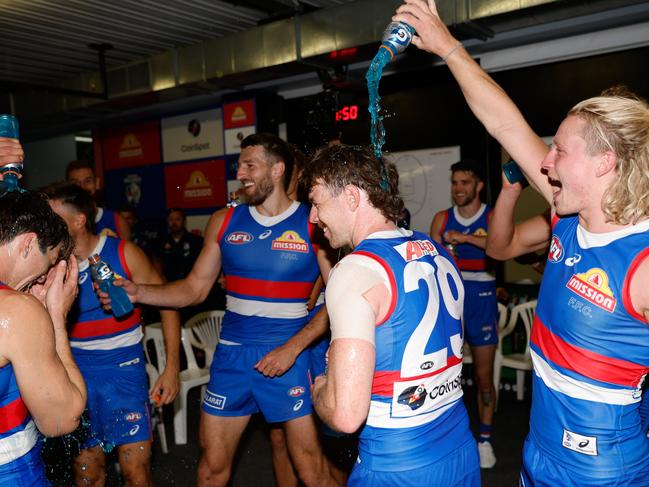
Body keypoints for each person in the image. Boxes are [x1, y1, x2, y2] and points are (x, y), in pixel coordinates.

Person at [395, 1, 649, 484]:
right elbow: (505, 125)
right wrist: (448, 48)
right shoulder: (566, 214)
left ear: (604, 163)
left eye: (559, 149)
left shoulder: (643, 258)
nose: (546, 161)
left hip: (602, 467)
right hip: (538, 447)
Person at [100, 133, 337, 487]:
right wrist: (138, 292)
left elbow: (339, 301)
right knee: (210, 470)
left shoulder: (313, 222)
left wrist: (293, 347)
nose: (240, 173)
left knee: (311, 471)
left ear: (278, 169)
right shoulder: (224, 222)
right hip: (232, 358)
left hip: (290, 356)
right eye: (239, 165)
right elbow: (194, 290)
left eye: (249, 165)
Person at [308, 144, 480, 486]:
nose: (313, 217)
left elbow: (345, 415)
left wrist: (321, 388)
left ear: (352, 197)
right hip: (458, 447)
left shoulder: (356, 270)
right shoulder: (438, 251)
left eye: (316, 202)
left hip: (397, 462)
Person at [45, 183, 180, 487]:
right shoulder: (50, 265)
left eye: (54, 216)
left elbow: (170, 305)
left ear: (79, 220)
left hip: (124, 373)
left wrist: (172, 369)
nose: (46, 224)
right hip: (76, 374)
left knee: (136, 473)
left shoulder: (123, 252)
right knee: (89, 476)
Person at [0, 190, 87, 485]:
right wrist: (55, 318)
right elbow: (62, 419)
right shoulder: (15, 310)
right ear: (27, 244)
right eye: (48, 263)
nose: (42, 278)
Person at [429, 159, 498, 468]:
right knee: (441, 373)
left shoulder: (492, 216)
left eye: (465, 183)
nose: (458, 189)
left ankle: (485, 439)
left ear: (478, 186)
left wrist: (466, 238)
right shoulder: (442, 218)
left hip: (481, 299)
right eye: (455, 183)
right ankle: (444, 435)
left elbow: (500, 245)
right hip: (450, 298)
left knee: (484, 378)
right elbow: (430, 261)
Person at [66, 160, 131, 240]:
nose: (82, 187)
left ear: (97, 183)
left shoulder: (116, 221)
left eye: (88, 181)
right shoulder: (61, 223)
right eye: (75, 183)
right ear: (67, 186)